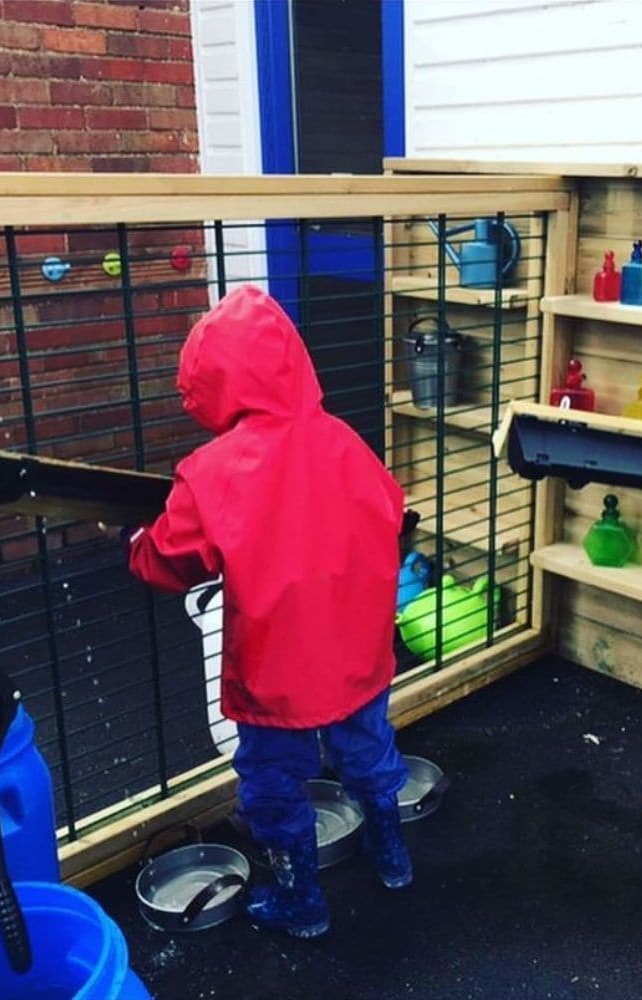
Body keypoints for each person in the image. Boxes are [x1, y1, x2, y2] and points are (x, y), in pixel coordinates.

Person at [124, 284, 412, 939]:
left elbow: (171, 559)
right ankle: (392, 854)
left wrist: (135, 546)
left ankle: (301, 899)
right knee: (368, 752)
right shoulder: (343, 441)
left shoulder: (210, 472)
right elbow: (392, 510)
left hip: (277, 669)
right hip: (357, 651)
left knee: (274, 783)